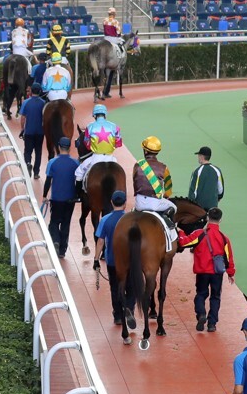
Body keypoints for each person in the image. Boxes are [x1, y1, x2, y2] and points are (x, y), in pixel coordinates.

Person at [183, 207, 235, 332]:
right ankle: (212, 324)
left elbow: (184, 243)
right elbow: (229, 257)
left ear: (207, 218)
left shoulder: (199, 234)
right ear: (220, 220)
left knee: (201, 294)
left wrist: (180, 233)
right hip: (217, 273)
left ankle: (201, 314)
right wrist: (230, 273)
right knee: (215, 297)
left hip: (202, 272)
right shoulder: (224, 238)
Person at [93, 190, 128, 326]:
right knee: (130, 287)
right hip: (129, 261)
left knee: (115, 287)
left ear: (112, 202)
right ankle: (129, 308)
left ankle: (118, 315)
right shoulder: (130, 218)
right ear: (125, 204)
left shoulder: (105, 219)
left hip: (112, 260)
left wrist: (96, 259)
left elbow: (100, 241)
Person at [42, 137, 80, 257]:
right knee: (66, 223)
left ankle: (56, 241)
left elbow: (48, 180)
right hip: (70, 199)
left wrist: (44, 196)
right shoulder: (75, 163)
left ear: (59, 146)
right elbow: (78, 181)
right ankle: (63, 251)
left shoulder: (52, 162)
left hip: (56, 198)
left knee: (54, 222)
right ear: (69, 148)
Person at [74, 104, 122, 188]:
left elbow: (87, 145)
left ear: (94, 116)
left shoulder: (90, 126)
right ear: (105, 115)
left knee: (79, 172)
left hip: (96, 158)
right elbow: (119, 143)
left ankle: (78, 195)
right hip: (111, 158)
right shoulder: (115, 126)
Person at [132, 136, 177, 222]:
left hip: (139, 203)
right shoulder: (164, 167)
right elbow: (168, 188)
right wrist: (165, 196)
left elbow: (135, 181)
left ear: (145, 151)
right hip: (154, 204)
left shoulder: (137, 165)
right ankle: (168, 225)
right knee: (174, 207)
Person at [18, 85, 47, 178]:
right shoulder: (43, 103)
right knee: (38, 152)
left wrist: (22, 129)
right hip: (40, 132)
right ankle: (36, 173)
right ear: (39, 91)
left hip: (29, 131)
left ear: (31, 91)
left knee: (27, 151)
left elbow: (22, 118)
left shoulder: (26, 102)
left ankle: (28, 163)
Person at [187, 146, 225, 211]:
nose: (198, 157)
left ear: (202, 156)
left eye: (198, 155)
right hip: (213, 206)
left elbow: (193, 192)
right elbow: (220, 190)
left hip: (199, 208)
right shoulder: (217, 170)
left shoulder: (197, 171)